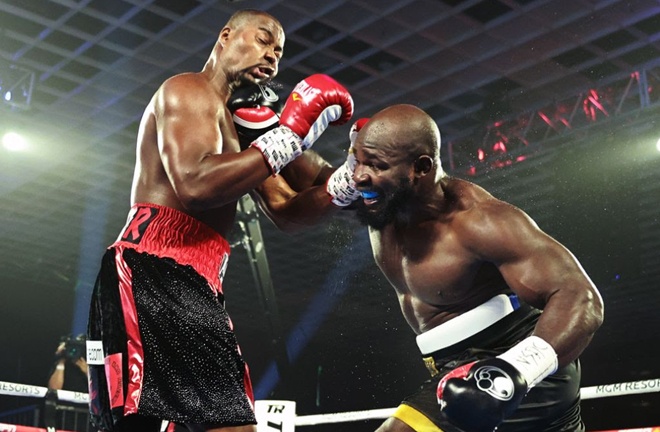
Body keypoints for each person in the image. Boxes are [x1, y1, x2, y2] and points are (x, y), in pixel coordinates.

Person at [86, 8, 354, 432]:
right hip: (158, 269)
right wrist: (286, 137)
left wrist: (344, 185)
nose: (273, 56)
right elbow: (193, 184)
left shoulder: (239, 128)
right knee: (229, 425)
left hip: (189, 278)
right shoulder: (188, 90)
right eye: (264, 40)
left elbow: (286, 210)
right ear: (226, 36)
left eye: (280, 52)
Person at [335, 104, 604, 431]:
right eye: (357, 160)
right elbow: (287, 205)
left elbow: (581, 297)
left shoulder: (480, 222)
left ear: (421, 167)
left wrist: (512, 372)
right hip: (452, 366)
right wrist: (285, 135)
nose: (359, 175)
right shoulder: (380, 200)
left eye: (375, 165)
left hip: (510, 360)